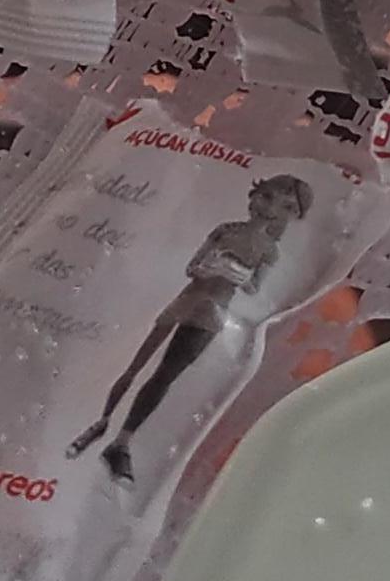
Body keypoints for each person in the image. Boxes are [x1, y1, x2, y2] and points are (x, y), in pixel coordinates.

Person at [67, 172, 315, 485]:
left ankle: (122, 442)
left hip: (212, 316)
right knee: (136, 365)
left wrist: (237, 275)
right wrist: (209, 266)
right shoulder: (225, 230)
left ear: (293, 215)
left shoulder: (269, 250)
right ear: (255, 194)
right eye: (266, 196)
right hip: (185, 303)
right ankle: (101, 422)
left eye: (286, 206)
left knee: (165, 377)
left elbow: (254, 287)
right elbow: (192, 268)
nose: (271, 208)